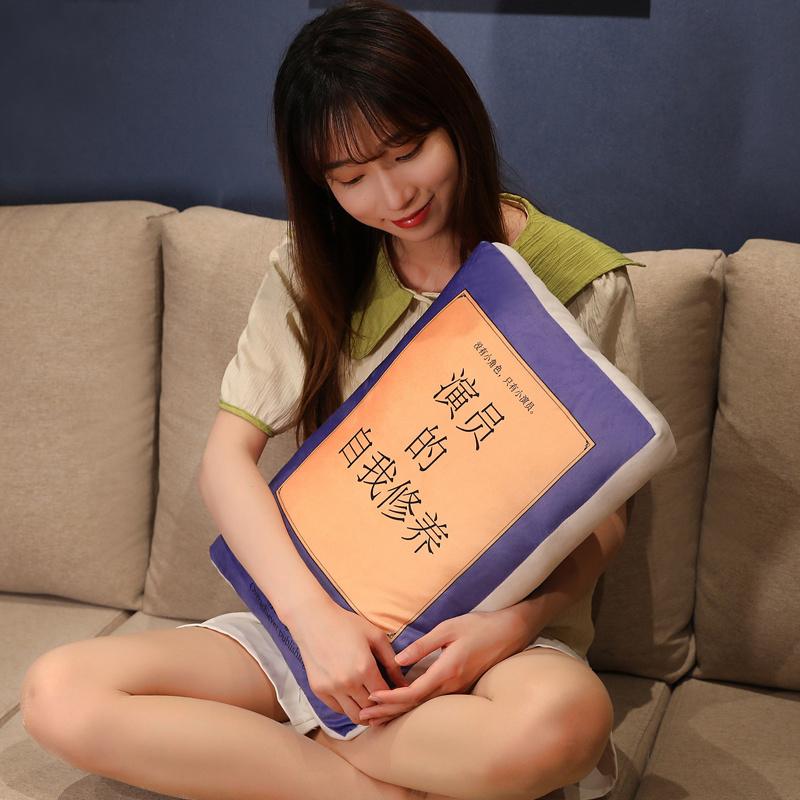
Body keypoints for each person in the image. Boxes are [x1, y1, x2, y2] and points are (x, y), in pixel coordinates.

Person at [20, 2, 645, 799]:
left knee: (562, 724)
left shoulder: (579, 281)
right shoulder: (312, 268)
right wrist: (314, 623)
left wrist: (506, 628)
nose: (392, 195)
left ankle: (285, 749)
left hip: (487, 650)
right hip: (323, 624)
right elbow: (225, 461)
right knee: (59, 692)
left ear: (457, 118)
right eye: (350, 179)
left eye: (408, 151)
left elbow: (605, 518)